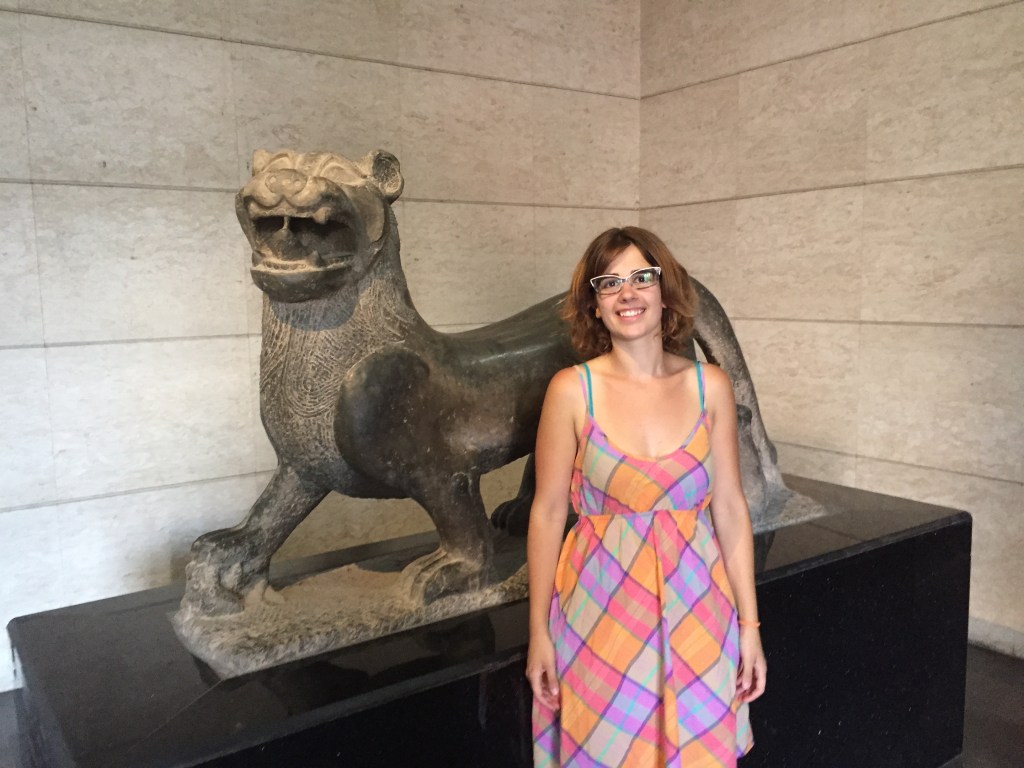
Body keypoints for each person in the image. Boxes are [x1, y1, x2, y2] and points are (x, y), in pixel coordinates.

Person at [527, 227, 766, 767]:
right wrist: (538, 631)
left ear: (665, 290)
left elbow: (730, 508)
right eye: (610, 282)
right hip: (601, 615)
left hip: (701, 611)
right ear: (594, 303)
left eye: (641, 277)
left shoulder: (710, 386)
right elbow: (547, 513)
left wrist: (750, 629)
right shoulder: (571, 389)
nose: (627, 293)